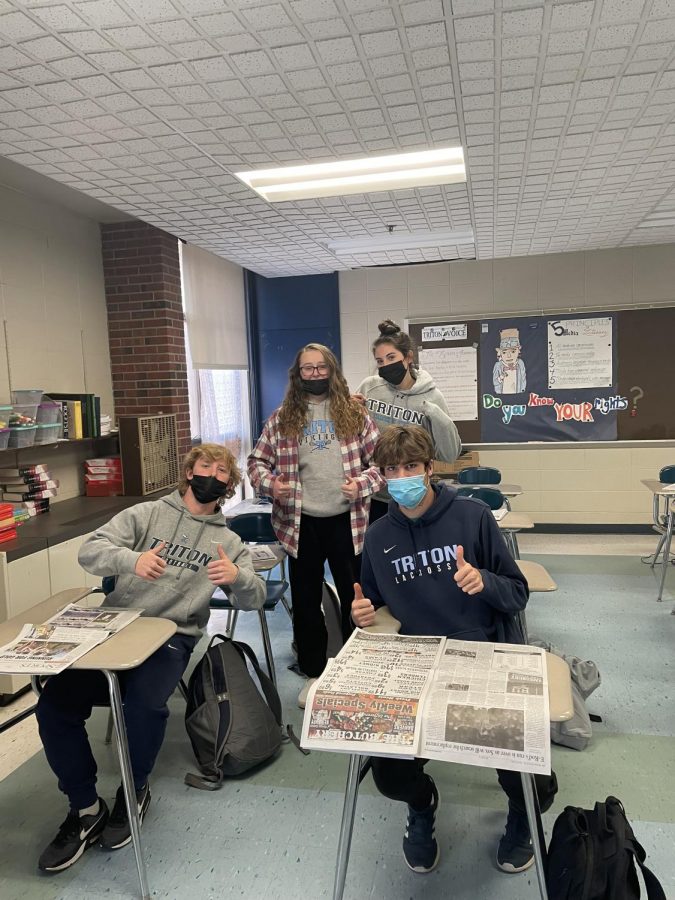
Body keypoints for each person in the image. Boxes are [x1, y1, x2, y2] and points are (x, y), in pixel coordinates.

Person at [36, 443, 266, 873]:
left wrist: (237, 578)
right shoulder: (146, 515)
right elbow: (91, 551)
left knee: (143, 705)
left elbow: (253, 599)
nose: (212, 476)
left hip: (171, 637)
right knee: (54, 705)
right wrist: (133, 559)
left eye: (221, 471)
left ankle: (134, 789)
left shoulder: (230, 540)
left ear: (229, 484)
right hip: (115, 628)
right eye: (204, 466)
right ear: (188, 471)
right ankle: (85, 807)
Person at [351, 425, 557, 876]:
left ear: (429, 469)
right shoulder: (380, 534)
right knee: (388, 774)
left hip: (483, 656)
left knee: (536, 783)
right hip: (419, 663)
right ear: (381, 476)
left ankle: (520, 818)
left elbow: (517, 593)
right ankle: (423, 806)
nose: (401, 476)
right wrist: (362, 612)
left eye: (410, 466)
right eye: (391, 469)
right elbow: (370, 600)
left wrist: (484, 582)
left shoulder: (472, 517)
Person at [248, 342, 382, 707]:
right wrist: (271, 485)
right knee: (306, 602)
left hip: (347, 521)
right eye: (307, 369)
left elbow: (383, 463)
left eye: (321, 367)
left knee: (354, 597)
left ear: (332, 371)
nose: (314, 374)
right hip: (300, 524)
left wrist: (363, 485)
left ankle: (355, 668)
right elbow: (256, 463)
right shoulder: (282, 418)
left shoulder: (355, 416)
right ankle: (314, 673)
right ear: (297, 374)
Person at [355, 319, 461, 522]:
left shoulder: (432, 396)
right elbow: (355, 436)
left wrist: (434, 413)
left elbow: (450, 454)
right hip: (377, 494)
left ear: (408, 357)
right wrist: (349, 407)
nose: (385, 365)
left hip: (415, 494)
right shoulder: (369, 387)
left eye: (391, 357)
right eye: (380, 361)